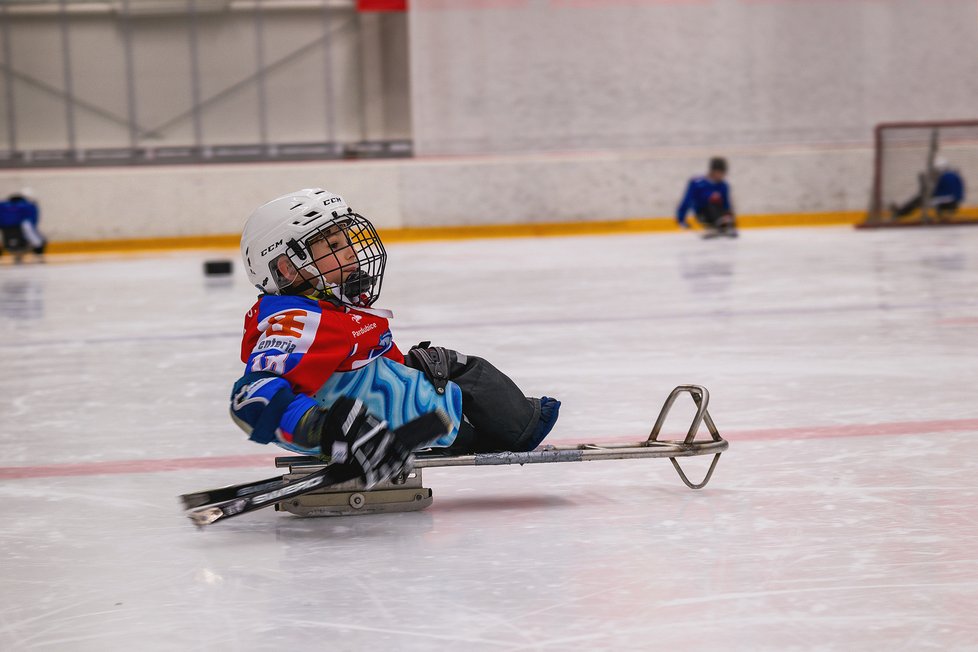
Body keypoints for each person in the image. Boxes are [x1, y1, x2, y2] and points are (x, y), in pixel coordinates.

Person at [229, 188, 560, 487]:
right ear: (288, 269)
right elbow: (252, 396)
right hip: (369, 428)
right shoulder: (300, 320)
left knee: (440, 367)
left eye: (347, 242)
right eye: (333, 246)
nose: (351, 254)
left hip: (374, 419)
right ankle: (521, 428)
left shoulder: (327, 309)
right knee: (468, 375)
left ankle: (508, 423)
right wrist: (329, 428)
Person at [676, 157, 737, 237]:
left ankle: (724, 225)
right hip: (703, 213)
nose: (722, 176)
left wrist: (730, 218)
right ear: (713, 171)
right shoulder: (697, 183)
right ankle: (714, 225)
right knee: (712, 200)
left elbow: (726, 204)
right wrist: (681, 218)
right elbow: (687, 200)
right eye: (720, 173)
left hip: (720, 213)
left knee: (725, 209)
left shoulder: (724, 185)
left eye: (723, 173)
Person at [890, 157, 965, 220]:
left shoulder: (943, 176)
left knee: (919, 199)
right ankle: (900, 212)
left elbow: (933, 191)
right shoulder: (954, 175)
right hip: (955, 202)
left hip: (945, 202)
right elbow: (959, 192)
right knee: (922, 198)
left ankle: (899, 213)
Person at [0, 188, 47, 263]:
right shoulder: (27, 208)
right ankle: (38, 256)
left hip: (8, 245)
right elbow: (33, 233)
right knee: (38, 239)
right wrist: (40, 248)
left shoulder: (3, 208)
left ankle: (18, 255)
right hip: (23, 244)